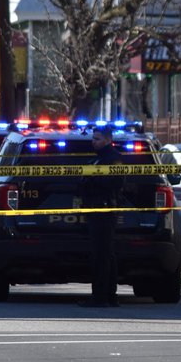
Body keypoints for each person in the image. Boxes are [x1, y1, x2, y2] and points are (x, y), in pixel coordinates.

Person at [77, 126, 125, 308]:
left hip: (104, 210)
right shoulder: (99, 160)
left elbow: (114, 182)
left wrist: (90, 181)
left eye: (97, 139)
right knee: (105, 254)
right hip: (97, 210)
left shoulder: (112, 159)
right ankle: (109, 296)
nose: (93, 141)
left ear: (107, 140)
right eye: (93, 138)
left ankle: (100, 297)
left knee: (102, 255)